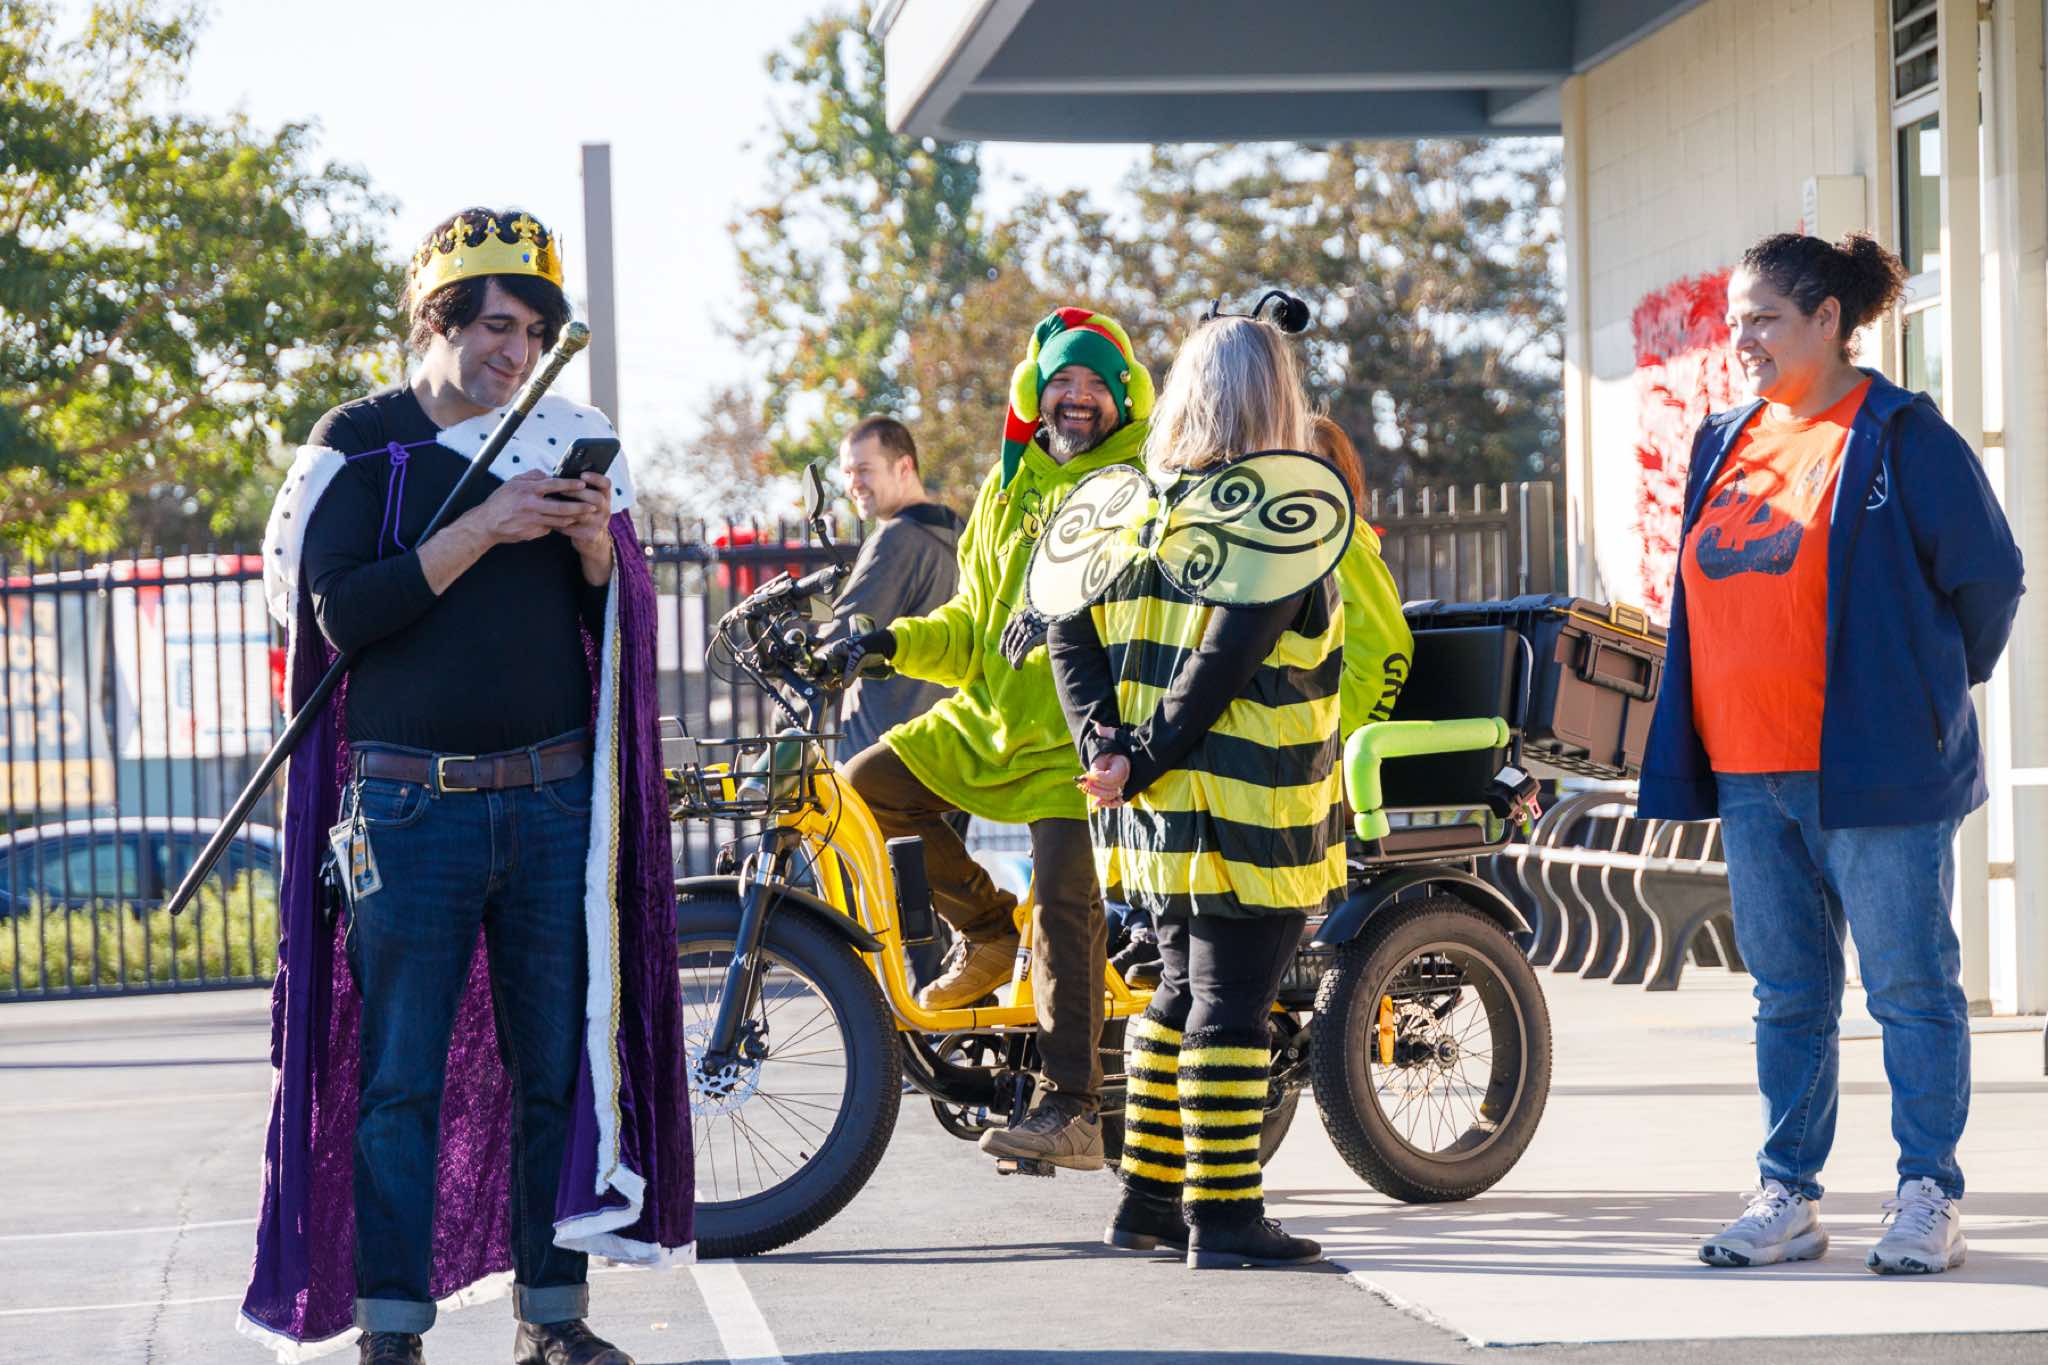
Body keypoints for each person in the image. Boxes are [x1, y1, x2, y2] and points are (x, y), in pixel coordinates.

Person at [246, 207, 692, 1365]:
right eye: (498, 325)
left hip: (553, 805)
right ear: (436, 321)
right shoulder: (361, 444)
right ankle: (392, 1332)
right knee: (399, 1082)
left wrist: (593, 548)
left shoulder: (575, 435)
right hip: (407, 812)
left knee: (555, 1070)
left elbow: (617, 618)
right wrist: (485, 526)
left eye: (536, 330)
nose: (518, 349)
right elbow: (342, 614)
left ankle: (553, 1320)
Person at [1638, 232, 2024, 1276]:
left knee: (1908, 986)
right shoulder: (1723, 438)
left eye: (1764, 318)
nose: (1742, 339)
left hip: (1874, 767)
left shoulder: (1900, 434)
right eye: (1734, 321)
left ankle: (1927, 1194)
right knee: (1788, 995)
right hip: (1747, 767)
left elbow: (1988, 579)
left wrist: (1925, 690)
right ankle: (1788, 1196)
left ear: (1826, 320)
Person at [817, 308, 1156, 1172]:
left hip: (1078, 735)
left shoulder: (1140, 486)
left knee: (1066, 906)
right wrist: (889, 643)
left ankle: (1074, 1106)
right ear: (1035, 392)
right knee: (868, 786)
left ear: (1124, 399)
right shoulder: (1008, 490)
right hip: (990, 718)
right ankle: (987, 926)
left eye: (1095, 383)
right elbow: (972, 625)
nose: (1076, 396)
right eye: (1062, 379)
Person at [1047, 313, 1344, 1269]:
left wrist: (1108, 745)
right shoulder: (1278, 513)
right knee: (1232, 1004)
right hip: (1249, 805)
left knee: (1175, 993)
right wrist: (1140, 754)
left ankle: (1145, 1202)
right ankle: (1224, 1215)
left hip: (1153, 814)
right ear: (1275, 396)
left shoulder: (1133, 508)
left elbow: (1063, 627)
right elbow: (1227, 657)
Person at [828, 416, 964, 761]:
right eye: (847, 473)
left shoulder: (896, 539)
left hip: (879, 760)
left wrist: (786, 710)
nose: (853, 484)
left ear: (904, 468)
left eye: (864, 470)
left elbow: (836, 641)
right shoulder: (960, 532)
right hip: (948, 755)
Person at [1306, 415, 1412, 737]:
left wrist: (1336, 738)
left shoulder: (1341, 546)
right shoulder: (1297, 546)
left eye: (1317, 463)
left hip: (1316, 751)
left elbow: (1387, 656)